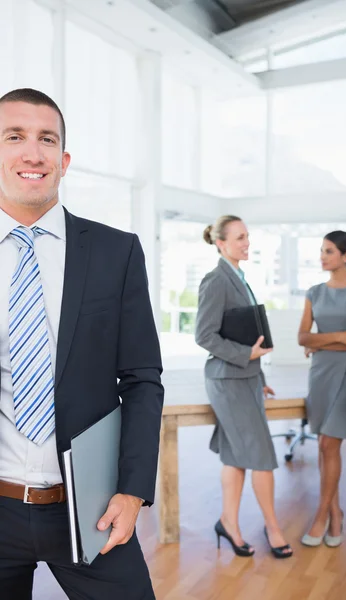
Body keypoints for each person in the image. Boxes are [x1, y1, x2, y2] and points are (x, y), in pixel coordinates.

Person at [0, 88, 163, 600]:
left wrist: (133, 490)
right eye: (15, 136)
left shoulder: (117, 252)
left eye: (47, 139)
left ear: (63, 160)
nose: (33, 152)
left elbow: (142, 380)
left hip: (90, 507)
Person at [195, 215, 292, 559]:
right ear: (220, 243)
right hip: (227, 380)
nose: (246, 243)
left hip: (245, 378)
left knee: (236, 457)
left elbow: (247, 332)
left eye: (247, 236)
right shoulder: (216, 280)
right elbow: (204, 335)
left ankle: (229, 522)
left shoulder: (239, 277)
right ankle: (273, 528)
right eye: (239, 238)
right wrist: (245, 355)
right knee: (262, 458)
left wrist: (260, 377)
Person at [298, 231, 346, 548]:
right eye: (321, 250)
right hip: (321, 373)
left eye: (329, 251)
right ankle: (336, 512)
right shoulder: (314, 291)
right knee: (323, 445)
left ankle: (321, 516)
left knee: (330, 444)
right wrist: (343, 337)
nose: (322, 256)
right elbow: (303, 337)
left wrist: (326, 339)